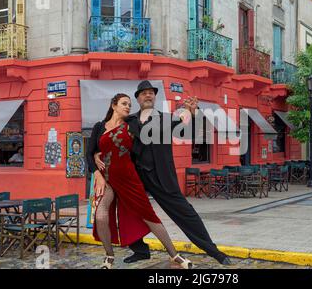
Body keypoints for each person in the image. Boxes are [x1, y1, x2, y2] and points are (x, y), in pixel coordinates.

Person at [95, 81, 232, 265]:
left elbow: (191, 133)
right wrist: (97, 154)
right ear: (138, 98)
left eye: (151, 92)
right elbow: (107, 138)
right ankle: (141, 250)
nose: (148, 95)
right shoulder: (129, 121)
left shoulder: (167, 119)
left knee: (185, 213)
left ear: (155, 97)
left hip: (162, 177)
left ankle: (214, 251)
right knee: (127, 211)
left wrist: (194, 113)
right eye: (144, 93)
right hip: (135, 176)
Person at [87, 93, 192, 269]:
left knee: (149, 215)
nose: (128, 107)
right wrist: (96, 171)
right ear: (113, 106)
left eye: (129, 104)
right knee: (101, 215)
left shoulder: (132, 125)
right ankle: (109, 256)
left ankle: (174, 255)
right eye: (124, 103)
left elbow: (155, 129)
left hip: (129, 179)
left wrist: (179, 118)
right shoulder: (99, 127)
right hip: (108, 179)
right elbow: (89, 153)